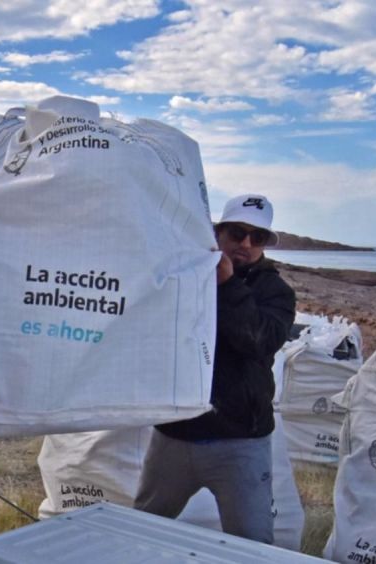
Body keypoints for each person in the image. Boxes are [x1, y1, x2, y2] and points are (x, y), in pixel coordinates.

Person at [134, 193, 296, 544]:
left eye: (259, 237)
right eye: (237, 232)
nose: (247, 244)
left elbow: (260, 340)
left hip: (241, 443)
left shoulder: (277, 292)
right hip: (174, 435)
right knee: (143, 526)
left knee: (253, 543)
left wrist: (227, 285)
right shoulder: (183, 274)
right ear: (217, 232)